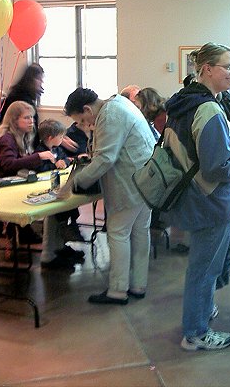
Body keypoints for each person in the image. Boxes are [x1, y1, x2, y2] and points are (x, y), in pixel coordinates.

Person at [163, 42, 230, 351]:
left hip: (194, 196)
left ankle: (201, 312)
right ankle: (196, 333)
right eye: (228, 67)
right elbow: (219, 167)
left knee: (203, 266)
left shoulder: (184, 102)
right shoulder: (208, 110)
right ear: (207, 69)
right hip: (211, 199)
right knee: (204, 270)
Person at [59, 87, 156, 304]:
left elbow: (105, 158)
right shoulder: (120, 104)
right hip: (145, 181)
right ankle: (138, 285)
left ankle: (118, 291)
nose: (86, 125)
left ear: (87, 109)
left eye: (82, 120)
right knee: (140, 232)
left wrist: (75, 183)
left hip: (130, 184)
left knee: (118, 233)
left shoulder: (109, 115)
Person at [0, 101, 56, 245]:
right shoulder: (7, 139)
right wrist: (38, 157)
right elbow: (9, 164)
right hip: (4, 190)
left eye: (32, 117)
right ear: (14, 121)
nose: (31, 121)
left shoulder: (23, 137)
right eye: (26, 117)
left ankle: (29, 232)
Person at [35, 119, 85, 244]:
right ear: (51, 138)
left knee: (71, 200)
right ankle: (63, 226)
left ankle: (72, 223)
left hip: (58, 181)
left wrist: (64, 162)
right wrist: (54, 165)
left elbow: (66, 159)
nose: (63, 139)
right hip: (46, 183)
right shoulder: (40, 151)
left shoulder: (57, 149)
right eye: (61, 137)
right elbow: (41, 169)